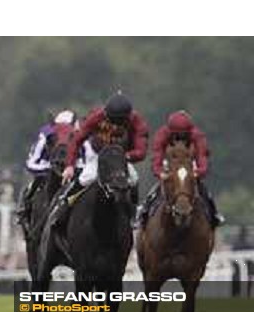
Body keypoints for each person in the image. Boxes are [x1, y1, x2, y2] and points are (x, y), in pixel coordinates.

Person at [49, 92, 148, 226]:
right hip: (99, 155)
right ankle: (63, 208)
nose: (115, 125)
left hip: (121, 158)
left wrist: (124, 156)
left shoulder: (136, 121)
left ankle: (133, 214)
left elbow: (141, 151)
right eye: (112, 120)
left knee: (134, 178)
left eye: (119, 122)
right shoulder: (96, 116)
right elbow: (76, 140)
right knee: (86, 178)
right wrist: (69, 165)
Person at [137, 110, 224, 228]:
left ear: (189, 131)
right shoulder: (162, 135)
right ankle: (144, 213)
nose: (180, 137)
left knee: (204, 191)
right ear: (170, 131)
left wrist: (198, 172)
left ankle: (214, 214)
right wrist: (160, 173)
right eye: (177, 134)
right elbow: (156, 157)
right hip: (170, 163)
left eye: (183, 135)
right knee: (155, 191)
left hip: (190, 164)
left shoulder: (197, 136)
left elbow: (202, 158)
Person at [16, 109, 79, 231]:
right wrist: (49, 168)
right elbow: (31, 163)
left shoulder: (78, 133)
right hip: (47, 168)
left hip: (70, 170)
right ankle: (24, 211)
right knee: (30, 187)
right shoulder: (45, 133)